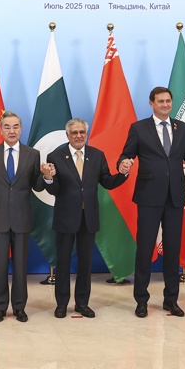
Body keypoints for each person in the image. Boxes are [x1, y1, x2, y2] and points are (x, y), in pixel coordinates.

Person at [118, 86, 185, 318]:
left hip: (175, 197)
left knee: (172, 250)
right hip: (149, 196)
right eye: (160, 101)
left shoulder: (182, 128)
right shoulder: (139, 128)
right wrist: (124, 163)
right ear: (151, 103)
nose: (165, 105)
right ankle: (141, 300)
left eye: (168, 101)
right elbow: (126, 154)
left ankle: (171, 300)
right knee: (145, 249)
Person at [45, 118, 129, 319]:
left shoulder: (97, 155)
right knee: (63, 263)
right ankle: (62, 304)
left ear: (86, 134)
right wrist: (48, 178)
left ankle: (82, 303)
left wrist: (123, 174)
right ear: (67, 135)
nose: (78, 136)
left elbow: (107, 181)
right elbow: (54, 189)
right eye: (74, 133)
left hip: (89, 217)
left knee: (85, 263)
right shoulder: (55, 156)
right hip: (65, 218)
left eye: (82, 132)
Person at [0, 111, 49, 322]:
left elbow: (37, 185)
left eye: (15, 126)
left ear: (21, 129)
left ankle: (20, 307)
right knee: (0, 266)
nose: (11, 130)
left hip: (22, 218)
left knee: (21, 268)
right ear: (0, 129)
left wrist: (47, 177)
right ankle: (0, 307)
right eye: (7, 126)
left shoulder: (32, 154)